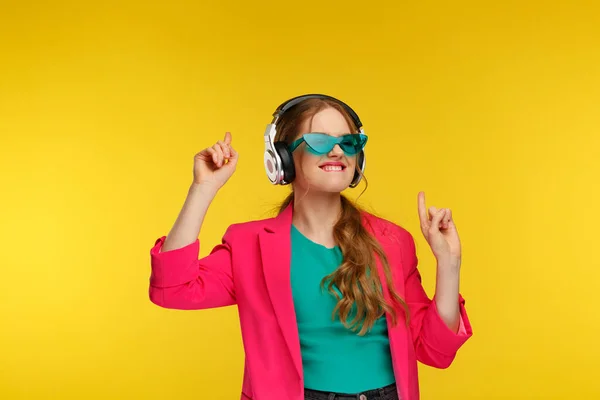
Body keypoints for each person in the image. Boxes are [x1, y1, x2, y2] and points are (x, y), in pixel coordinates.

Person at [148, 94, 473, 400]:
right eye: (320, 142)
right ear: (282, 159)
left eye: (348, 142)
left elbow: (435, 351)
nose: (337, 152)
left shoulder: (393, 241)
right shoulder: (249, 245)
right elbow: (172, 289)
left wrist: (449, 263)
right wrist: (202, 190)